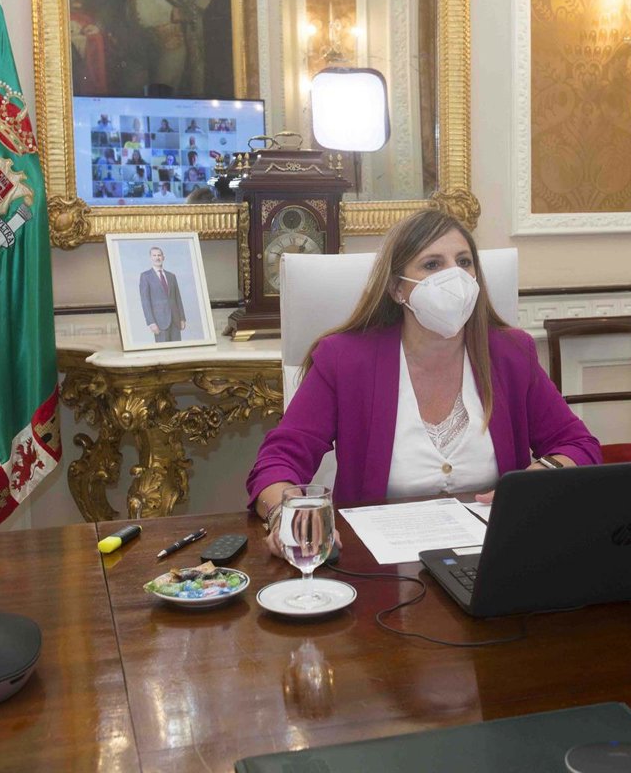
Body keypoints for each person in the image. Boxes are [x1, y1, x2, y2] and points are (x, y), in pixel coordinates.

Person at [246, 209, 601, 556]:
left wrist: (537, 479)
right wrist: (285, 514)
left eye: (464, 262)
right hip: (378, 566)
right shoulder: (345, 359)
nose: (454, 276)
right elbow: (278, 459)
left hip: (494, 557)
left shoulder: (511, 352)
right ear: (396, 288)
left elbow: (577, 444)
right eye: (432, 265)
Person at [139, 246, 186, 342]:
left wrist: (182, 318)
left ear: (163, 257)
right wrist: (151, 322)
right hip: (159, 322)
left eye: (159, 255)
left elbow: (178, 298)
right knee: (164, 349)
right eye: (154, 255)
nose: (157, 258)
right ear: (151, 258)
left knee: (177, 349)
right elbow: (145, 301)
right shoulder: (145, 276)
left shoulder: (171, 276)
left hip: (176, 320)